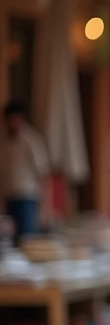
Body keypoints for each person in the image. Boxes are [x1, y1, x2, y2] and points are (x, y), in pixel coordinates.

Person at [3, 101, 49, 240]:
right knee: (11, 238)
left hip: (27, 195)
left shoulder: (31, 139)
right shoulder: (4, 140)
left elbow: (42, 170)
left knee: (27, 236)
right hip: (9, 194)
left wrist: (45, 202)